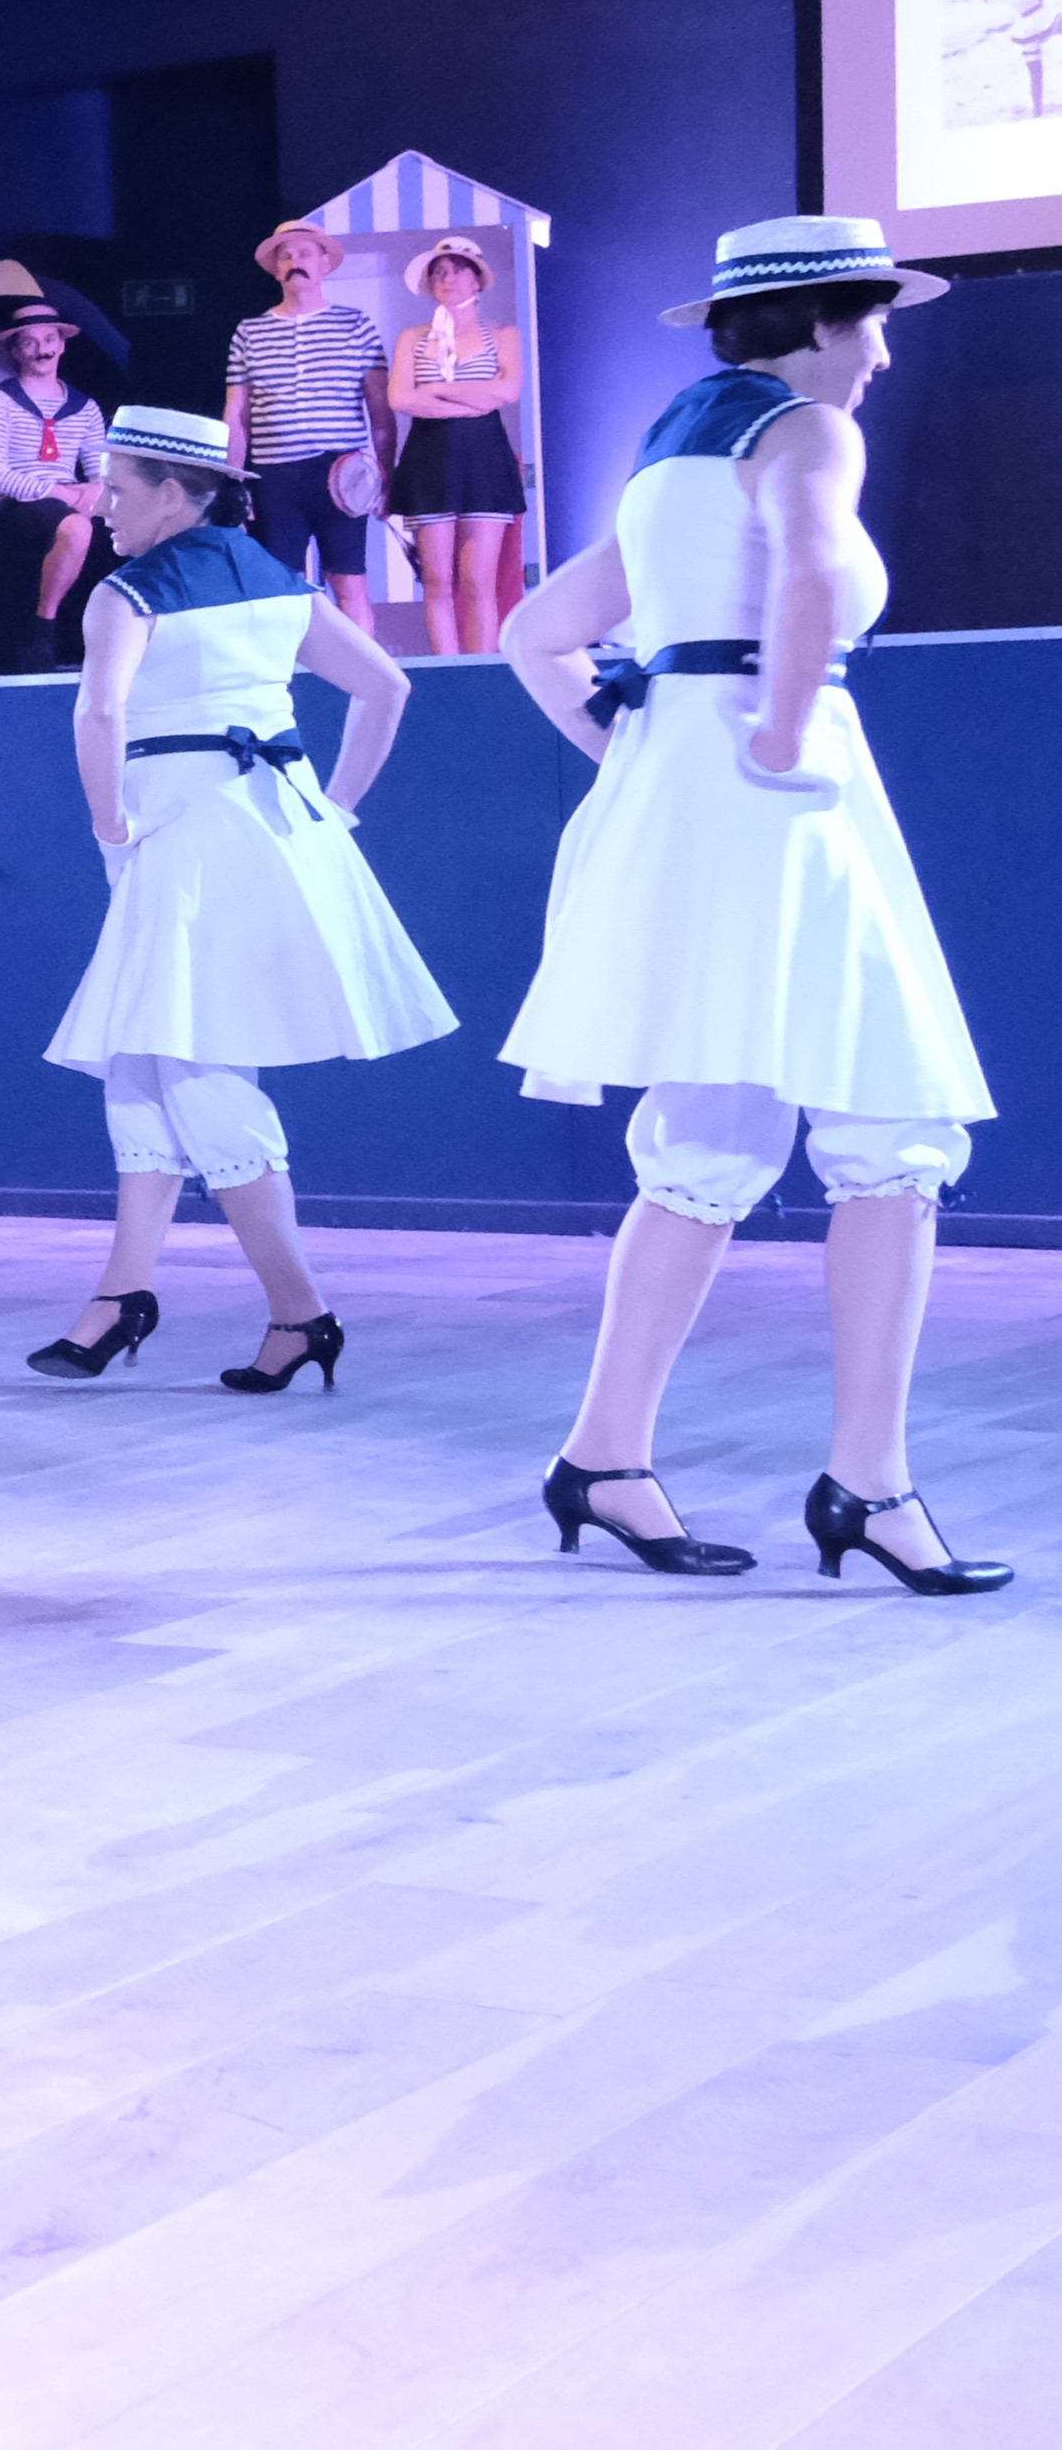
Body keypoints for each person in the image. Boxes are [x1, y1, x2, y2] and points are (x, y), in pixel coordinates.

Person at [500, 217, 1001, 1596]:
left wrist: (636, 747)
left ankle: (603, 1456)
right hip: (785, 796)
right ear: (823, 323)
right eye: (873, 322)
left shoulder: (672, 451)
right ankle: (869, 1481)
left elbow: (534, 634)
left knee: (709, 1134)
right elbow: (811, 570)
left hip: (690, 792)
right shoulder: (806, 431)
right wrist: (779, 733)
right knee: (892, 1125)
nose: (883, 353)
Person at [33, 408, 448, 1392]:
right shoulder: (279, 582)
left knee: (193, 1064)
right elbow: (385, 688)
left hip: (185, 836)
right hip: (276, 822)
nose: (103, 506)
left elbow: (99, 710)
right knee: (143, 1054)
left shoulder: (127, 593)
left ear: (175, 493)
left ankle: (299, 1311)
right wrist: (335, 807)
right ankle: (121, 1294)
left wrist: (107, 828)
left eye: (119, 489)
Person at [222, 219, 384, 640]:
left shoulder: (356, 324)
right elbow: (236, 414)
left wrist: (387, 474)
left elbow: (380, 408)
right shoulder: (249, 331)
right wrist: (233, 483)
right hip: (275, 474)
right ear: (276, 269)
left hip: (341, 472)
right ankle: (288, 672)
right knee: (281, 586)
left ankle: (362, 670)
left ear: (325, 263)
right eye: (286, 255)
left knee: (349, 580)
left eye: (306, 253)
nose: (296, 261)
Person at [386, 234, 527, 655]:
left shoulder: (502, 334)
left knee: (479, 580)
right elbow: (401, 399)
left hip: (485, 460)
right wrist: (473, 400)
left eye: (459, 270)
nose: (449, 279)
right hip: (429, 459)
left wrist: (438, 389)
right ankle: (445, 670)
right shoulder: (413, 338)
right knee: (436, 581)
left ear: (477, 279)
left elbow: (508, 390)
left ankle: (480, 671)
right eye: (440, 273)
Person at [0, 298, 113, 655]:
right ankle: (43, 627)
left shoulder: (84, 407)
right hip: (17, 503)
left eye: (49, 340)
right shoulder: (1, 402)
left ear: (62, 345)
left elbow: (101, 470)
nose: (42, 350)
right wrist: (59, 492)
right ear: (16, 351)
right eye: (30, 342)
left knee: (125, 528)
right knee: (77, 527)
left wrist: (93, 492)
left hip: (67, 498)